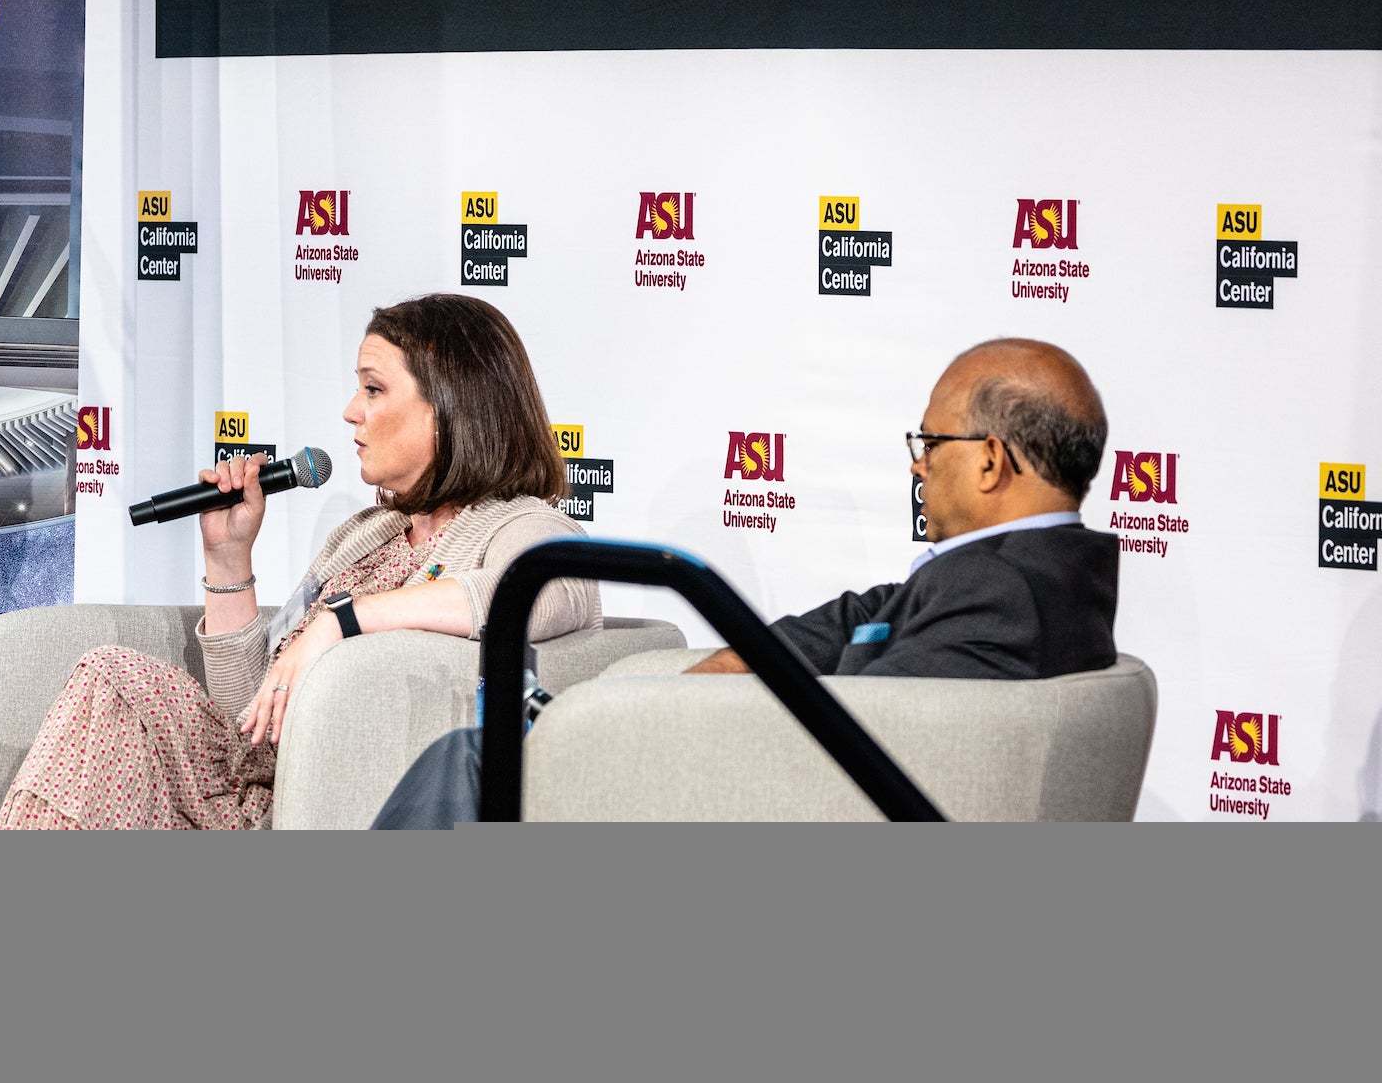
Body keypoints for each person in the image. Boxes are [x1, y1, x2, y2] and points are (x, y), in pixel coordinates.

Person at [372, 337, 1120, 828]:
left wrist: (630, 731)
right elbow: (844, 624)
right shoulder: (1037, 575)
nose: (918, 464)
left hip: (770, 803)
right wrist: (664, 700)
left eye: (930, 442)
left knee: (473, 759)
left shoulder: (998, 594)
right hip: (757, 778)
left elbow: (863, 743)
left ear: (990, 461)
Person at [0, 293, 603, 830]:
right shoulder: (364, 535)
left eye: (373, 388)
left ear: (448, 408)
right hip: (264, 789)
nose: (350, 411)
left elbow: (552, 589)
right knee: (112, 692)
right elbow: (249, 715)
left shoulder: (520, 525)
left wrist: (345, 618)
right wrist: (228, 556)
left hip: (358, 804)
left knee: (114, 678)